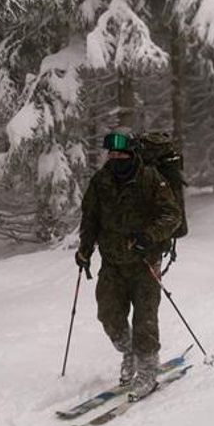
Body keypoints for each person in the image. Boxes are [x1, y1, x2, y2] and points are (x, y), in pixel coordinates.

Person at [75, 131, 182, 399]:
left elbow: (172, 215)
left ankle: (147, 370)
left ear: (132, 155)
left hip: (144, 260)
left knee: (145, 318)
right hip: (111, 261)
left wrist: (149, 235)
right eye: (111, 154)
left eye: (121, 154)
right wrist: (85, 249)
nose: (115, 158)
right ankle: (130, 353)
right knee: (109, 316)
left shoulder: (150, 179)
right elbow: (90, 218)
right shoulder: (101, 181)